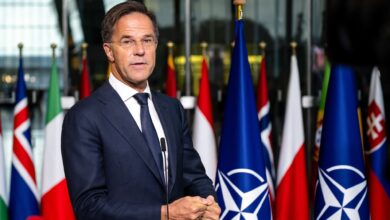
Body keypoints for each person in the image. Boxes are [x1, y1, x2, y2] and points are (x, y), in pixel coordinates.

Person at [61, 1, 220, 219]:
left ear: (156, 45)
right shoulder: (84, 117)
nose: (140, 51)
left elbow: (194, 176)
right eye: (127, 42)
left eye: (147, 40)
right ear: (109, 51)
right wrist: (165, 214)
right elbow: (90, 207)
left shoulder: (172, 108)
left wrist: (208, 201)